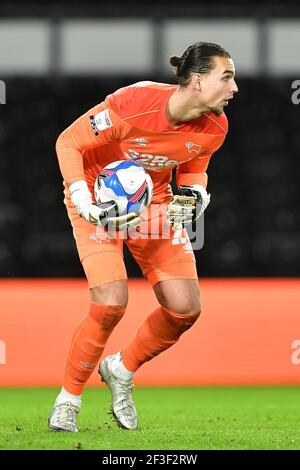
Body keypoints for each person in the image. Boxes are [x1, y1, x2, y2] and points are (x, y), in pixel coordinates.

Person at [48, 41, 238, 432]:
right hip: (99, 199)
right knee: (110, 303)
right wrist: (80, 195)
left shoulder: (215, 126)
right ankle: (68, 400)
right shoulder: (133, 103)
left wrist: (196, 192)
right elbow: (68, 142)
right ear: (198, 81)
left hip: (155, 203)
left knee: (185, 308)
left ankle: (121, 369)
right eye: (227, 77)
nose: (234, 88)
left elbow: (192, 165)